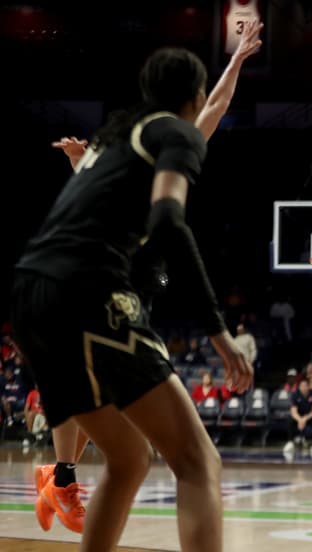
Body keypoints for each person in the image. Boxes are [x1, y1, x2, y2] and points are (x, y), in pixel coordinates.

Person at [9, 46, 254, 552]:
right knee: (198, 462)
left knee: (127, 458)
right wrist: (218, 330)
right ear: (195, 96)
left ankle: (60, 478)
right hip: (90, 289)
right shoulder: (175, 134)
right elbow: (168, 220)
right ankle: (60, 475)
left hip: (29, 292)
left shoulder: (113, 139)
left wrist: (237, 61)